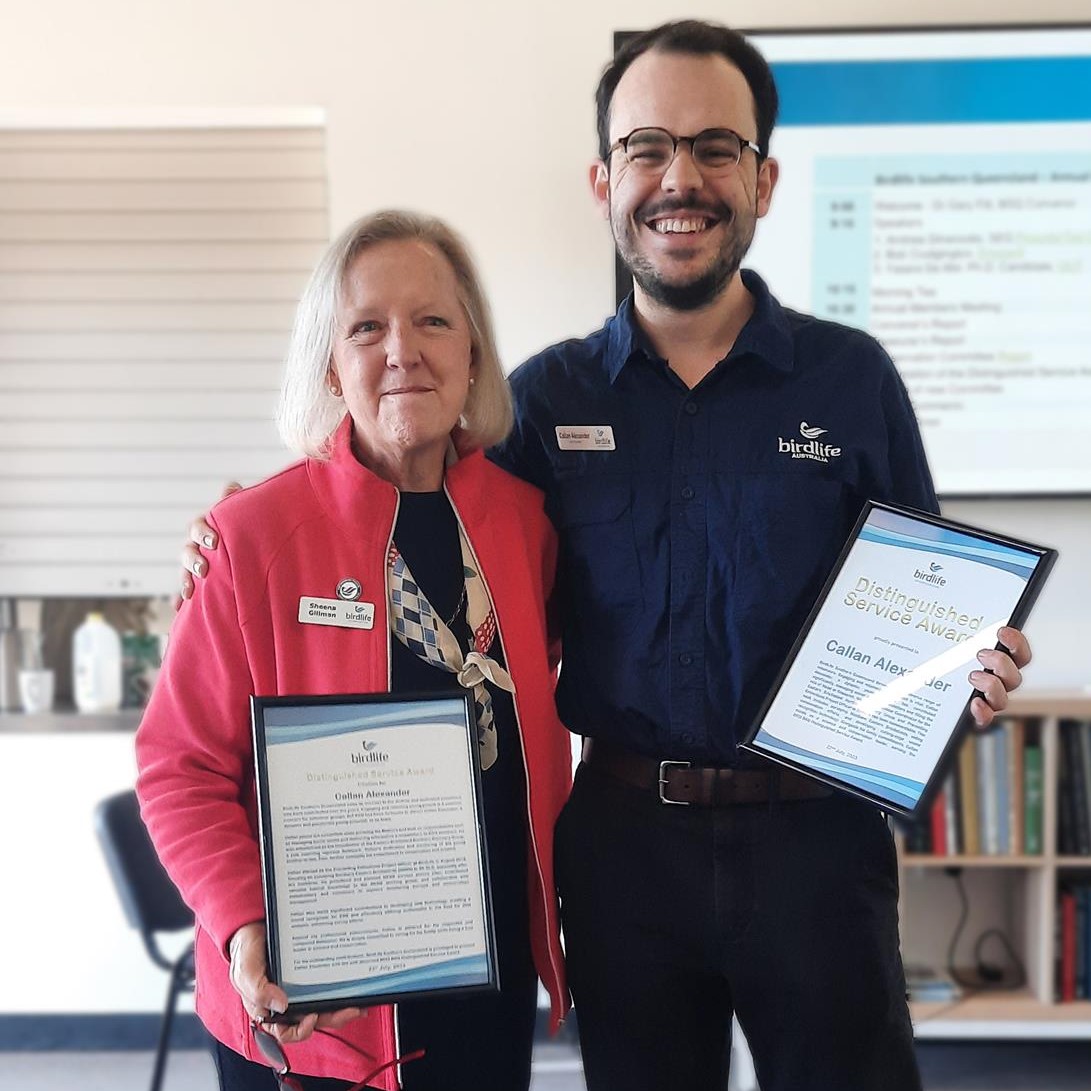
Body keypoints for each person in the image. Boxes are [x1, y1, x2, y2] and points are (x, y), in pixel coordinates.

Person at [182, 21, 1033, 1091]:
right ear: (603, 181)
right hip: (625, 851)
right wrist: (239, 524)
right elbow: (400, 486)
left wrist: (967, 666)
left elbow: (932, 595)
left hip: (818, 846)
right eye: (647, 147)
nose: (680, 178)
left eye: (715, 147)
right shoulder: (542, 400)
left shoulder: (850, 379)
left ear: (763, 181)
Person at [139, 209, 571, 1091]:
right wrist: (246, 926)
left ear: (473, 352)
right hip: (312, 1006)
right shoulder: (251, 536)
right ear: (331, 365)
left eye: (433, 320)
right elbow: (179, 768)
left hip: (484, 988)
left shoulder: (527, 524)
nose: (402, 350)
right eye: (367, 327)